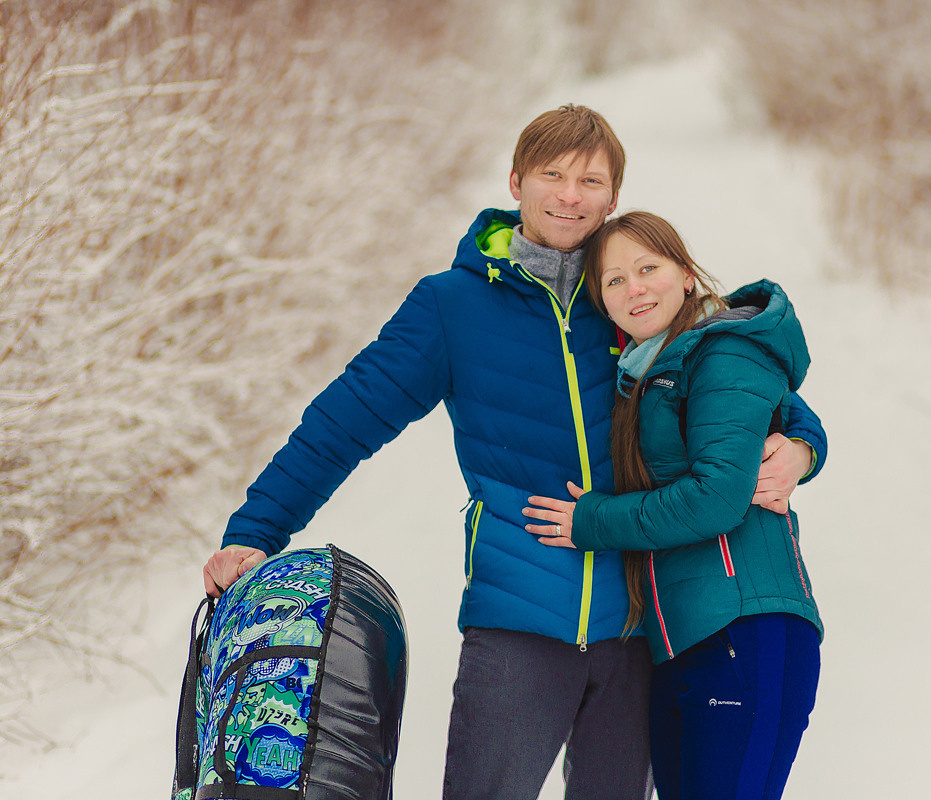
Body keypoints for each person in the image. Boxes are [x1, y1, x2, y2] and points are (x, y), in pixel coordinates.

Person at [201, 106, 828, 800]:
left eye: (590, 180)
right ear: (516, 181)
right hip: (518, 623)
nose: (569, 195)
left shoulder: (627, 297)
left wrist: (804, 444)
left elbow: (737, 377)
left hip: (640, 631)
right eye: (552, 175)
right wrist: (255, 533)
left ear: (613, 197)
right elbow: (344, 422)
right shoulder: (452, 307)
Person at [524, 211, 822, 800]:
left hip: (745, 626)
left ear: (685, 274)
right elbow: (789, 416)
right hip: (680, 642)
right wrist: (809, 443)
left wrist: (594, 521)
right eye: (613, 281)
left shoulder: (722, 351)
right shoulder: (642, 373)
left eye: (647, 268)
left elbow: (716, 498)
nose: (633, 288)